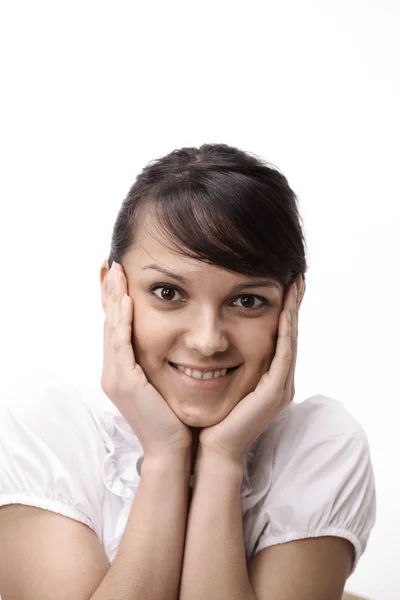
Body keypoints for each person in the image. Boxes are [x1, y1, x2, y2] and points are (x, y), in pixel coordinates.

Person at [0, 143, 376, 600]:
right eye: (167, 292)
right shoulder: (45, 432)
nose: (207, 340)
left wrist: (221, 460)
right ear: (112, 290)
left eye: (248, 301)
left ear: (291, 307)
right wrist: (164, 455)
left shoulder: (319, 446)